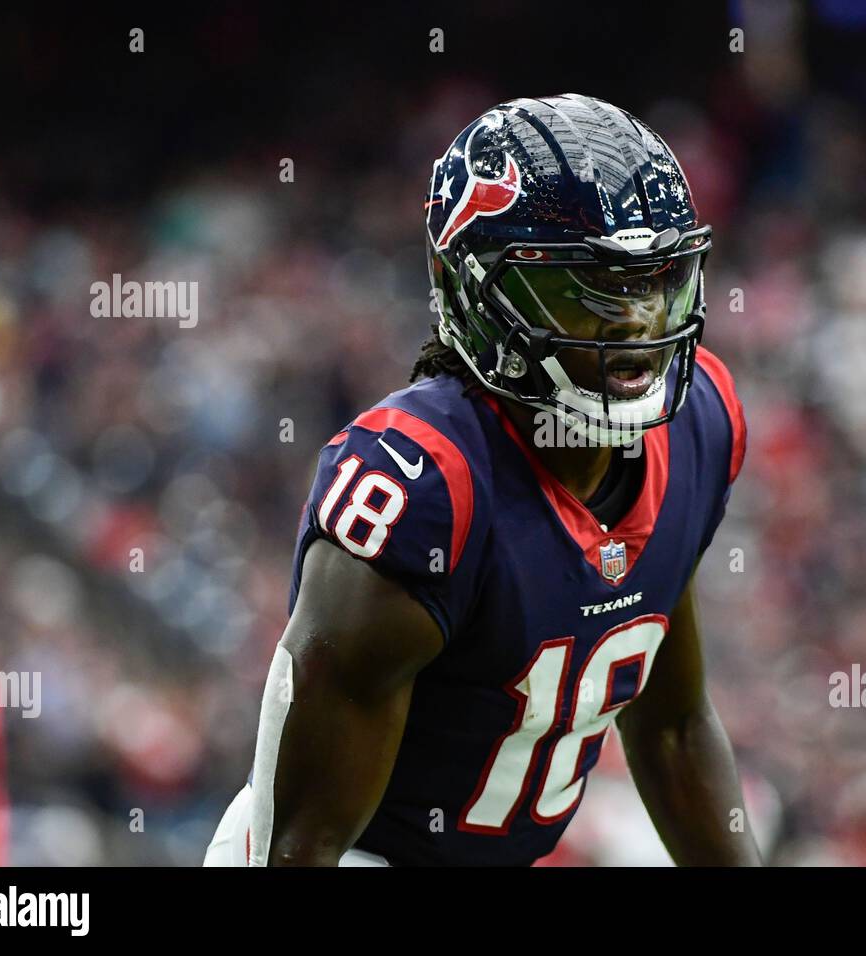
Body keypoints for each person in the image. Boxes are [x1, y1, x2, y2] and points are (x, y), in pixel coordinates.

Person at [204, 93, 757, 866]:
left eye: (650, 280)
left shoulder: (700, 424)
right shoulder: (423, 488)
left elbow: (671, 727)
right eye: (584, 286)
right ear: (473, 292)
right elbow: (305, 839)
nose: (634, 320)